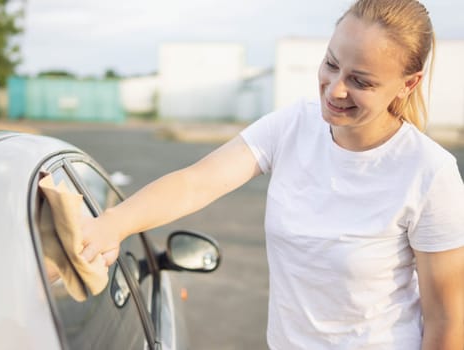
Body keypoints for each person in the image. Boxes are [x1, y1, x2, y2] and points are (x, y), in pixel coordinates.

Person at [80, 0, 464, 348]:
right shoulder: (293, 126)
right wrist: (112, 224)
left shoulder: (429, 173)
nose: (336, 89)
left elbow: (446, 321)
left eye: (361, 81)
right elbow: (195, 183)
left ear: (407, 84)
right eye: (331, 63)